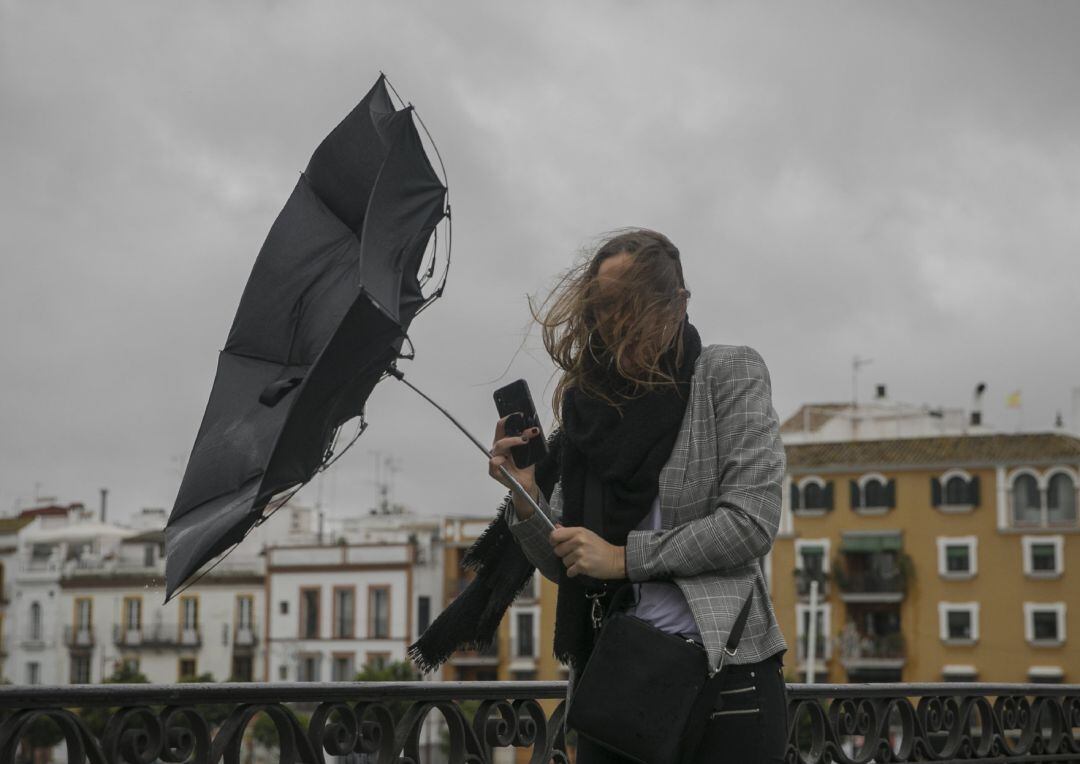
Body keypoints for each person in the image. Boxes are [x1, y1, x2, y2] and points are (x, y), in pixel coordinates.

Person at [487, 229, 789, 763]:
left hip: (724, 683)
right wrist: (525, 492)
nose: (614, 319)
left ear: (678, 304)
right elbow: (570, 563)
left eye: (631, 303)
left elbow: (751, 521)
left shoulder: (725, 372)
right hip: (618, 685)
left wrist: (626, 559)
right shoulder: (590, 406)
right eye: (603, 304)